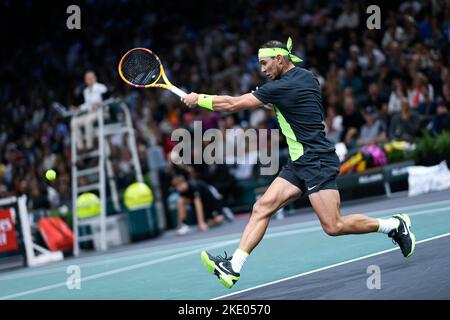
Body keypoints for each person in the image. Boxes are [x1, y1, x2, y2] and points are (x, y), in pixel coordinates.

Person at [182, 37, 416, 289]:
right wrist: (269, 100)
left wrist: (199, 99)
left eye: (264, 63)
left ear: (279, 59)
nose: (262, 69)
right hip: (298, 162)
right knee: (262, 206)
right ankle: (233, 267)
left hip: (316, 160)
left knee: (333, 226)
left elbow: (231, 104)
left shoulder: (278, 88)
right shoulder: (307, 77)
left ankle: (393, 225)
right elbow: (290, 105)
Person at [70, 71, 108, 149]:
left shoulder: (101, 87)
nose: (90, 79)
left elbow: (107, 100)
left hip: (102, 112)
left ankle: (89, 145)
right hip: (91, 113)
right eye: (88, 78)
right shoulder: (86, 91)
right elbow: (87, 105)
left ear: (95, 78)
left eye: (91, 77)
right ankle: (81, 147)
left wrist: (98, 103)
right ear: (85, 80)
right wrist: (78, 108)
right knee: (74, 122)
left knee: (88, 120)